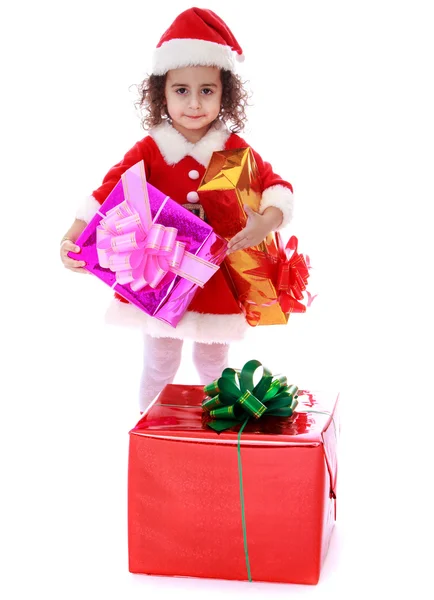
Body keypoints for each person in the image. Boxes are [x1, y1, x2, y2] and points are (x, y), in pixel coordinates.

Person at [60, 7, 294, 412]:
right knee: (159, 361)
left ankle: (216, 432)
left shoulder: (232, 148)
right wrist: (72, 234)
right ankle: (149, 429)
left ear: (225, 94)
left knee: (213, 364)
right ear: (161, 93)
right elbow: (106, 190)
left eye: (207, 90)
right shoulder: (149, 149)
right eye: (181, 90)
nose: (194, 102)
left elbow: (276, 185)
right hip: (160, 275)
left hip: (213, 279)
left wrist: (267, 221)